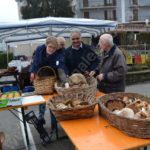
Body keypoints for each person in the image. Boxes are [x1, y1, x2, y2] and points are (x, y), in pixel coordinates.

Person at [30, 36, 68, 128]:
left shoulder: (58, 55)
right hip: (40, 78)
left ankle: (53, 124)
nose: (51, 49)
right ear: (46, 44)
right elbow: (35, 62)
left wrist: (66, 83)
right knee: (42, 100)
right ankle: (41, 119)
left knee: (51, 101)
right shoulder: (40, 49)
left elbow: (60, 69)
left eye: (54, 48)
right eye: (50, 47)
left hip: (51, 79)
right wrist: (32, 72)